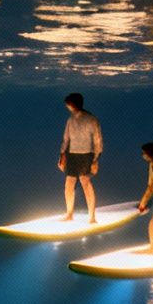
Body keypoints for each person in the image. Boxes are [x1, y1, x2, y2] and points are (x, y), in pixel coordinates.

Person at [58, 92, 101, 223]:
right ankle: (69, 214)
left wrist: (95, 160)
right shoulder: (70, 120)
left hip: (86, 155)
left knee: (85, 183)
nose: (67, 107)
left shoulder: (91, 119)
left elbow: (97, 141)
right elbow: (66, 139)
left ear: (72, 104)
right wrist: (62, 155)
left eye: (68, 104)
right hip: (72, 154)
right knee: (69, 184)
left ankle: (92, 217)